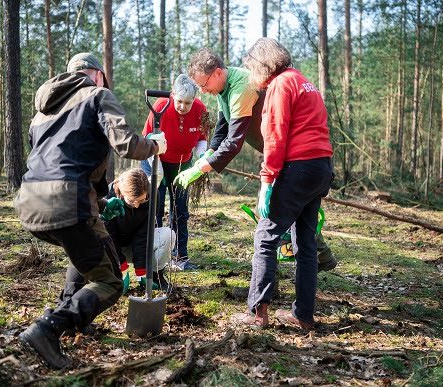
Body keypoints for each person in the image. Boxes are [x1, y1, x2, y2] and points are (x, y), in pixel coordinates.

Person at [13, 53, 166, 369]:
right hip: (68, 202)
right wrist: (155, 146)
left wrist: (99, 201)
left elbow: (55, 157)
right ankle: (48, 328)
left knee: (88, 254)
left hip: (29, 202)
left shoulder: (42, 112)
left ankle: (73, 320)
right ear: (97, 75)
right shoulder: (97, 95)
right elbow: (126, 145)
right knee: (109, 281)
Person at [176, 47, 337, 273]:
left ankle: (273, 286)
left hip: (286, 154)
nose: (203, 91)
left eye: (204, 85)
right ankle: (321, 256)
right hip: (277, 152)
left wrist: (203, 167)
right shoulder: (224, 90)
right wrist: (208, 153)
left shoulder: (241, 86)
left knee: (271, 222)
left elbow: (234, 141)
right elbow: (223, 129)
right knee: (287, 215)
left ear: (218, 73)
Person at [232, 38, 333, 330]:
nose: (252, 77)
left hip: (298, 168)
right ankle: (303, 316)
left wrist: (267, 181)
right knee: (305, 244)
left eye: (252, 69)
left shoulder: (280, 86)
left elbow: (275, 137)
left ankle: (257, 313)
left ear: (263, 65)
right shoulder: (304, 81)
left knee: (265, 238)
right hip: (320, 167)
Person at [142, 74, 208, 270]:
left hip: (182, 164)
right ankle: (155, 257)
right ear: (172, 95)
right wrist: (157, 166)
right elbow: (147, 139)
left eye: (188, 102)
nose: (182, 107)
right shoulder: (161, 106)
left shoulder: (200, 110)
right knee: (156, 207)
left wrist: (201, 156)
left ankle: (180, 257)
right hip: (156, 160)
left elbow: (201, 137)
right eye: (179, 101)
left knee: (180, 210)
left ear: (194, 100)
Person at [102, 168, 176, 292]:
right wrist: (122, 267)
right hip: (112, 248)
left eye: (142, 200)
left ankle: (154, 275)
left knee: (168, 235)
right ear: (122, 193)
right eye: (131, 201)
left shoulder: (153, 194)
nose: (137, 205)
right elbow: (110, 236)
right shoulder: (109, 195)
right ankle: (110, 277)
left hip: (136, 247)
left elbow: (143, 234)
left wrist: (141, 271)